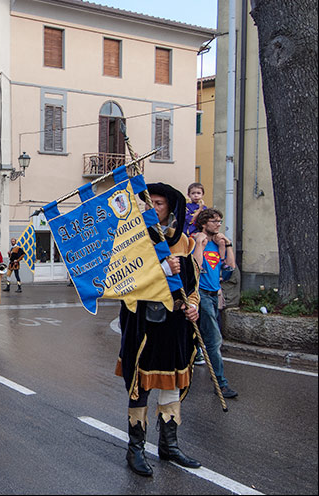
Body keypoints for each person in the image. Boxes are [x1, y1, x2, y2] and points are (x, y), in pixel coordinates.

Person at [115, 183, 201, 477]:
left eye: (159, 204)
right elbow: (124, 281)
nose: (151, 208)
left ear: (171, 208)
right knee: (142, 384)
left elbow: (194, 284)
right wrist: (163, 270)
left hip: (175, 325)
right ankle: (135, 449)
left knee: (172, 384)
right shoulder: (135, 239)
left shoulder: (185, 243)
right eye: (148, 203)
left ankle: (169, 446)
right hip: (144, 323)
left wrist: (193, 305)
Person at [193, 208, 238, 399]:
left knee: (200, 338)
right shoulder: (197, 241)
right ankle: (221, 383)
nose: (218, 224)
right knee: (213, 339)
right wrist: (199, 244)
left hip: (212, 295)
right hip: (200, 295)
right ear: (204, 223)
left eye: (219, 221)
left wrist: (226, 245)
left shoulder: (218, 244)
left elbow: (229, 268)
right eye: (214, 221)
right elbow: (197, 267)